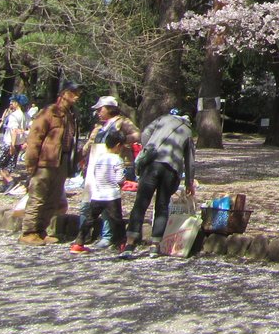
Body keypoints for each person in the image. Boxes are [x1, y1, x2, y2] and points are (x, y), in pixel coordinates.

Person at [19, 80, 83, 245]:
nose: (77, 97)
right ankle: (28, 232)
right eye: (73, 92)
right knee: (38, 197)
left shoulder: (72, 115)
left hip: (61, 162)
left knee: (53, 199)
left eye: (78, 93)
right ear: (63, 93)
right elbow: (35, 137)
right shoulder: (49, 112)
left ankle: (41, 230)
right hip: (44, 163)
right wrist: (31, 163)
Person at [123, 109, 195, 254]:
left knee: (141, 203)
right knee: (162, 205)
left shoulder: (162, 119)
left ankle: (130, 244)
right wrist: (189, 182)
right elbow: (190, 160)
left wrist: (149, 147)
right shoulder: (187, 131)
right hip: (171, 169)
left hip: (152, 164)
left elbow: (145, 134)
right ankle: (155, 245)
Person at [71, 128, 127, 253]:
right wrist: (124, 181)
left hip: (97, 195)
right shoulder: (118, 160)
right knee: (117, 221)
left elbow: (96, 174)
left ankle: (78, 243)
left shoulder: (99, 158)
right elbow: (120, 179)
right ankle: (122, 244)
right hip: (112, 195)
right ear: (118, 145)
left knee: (90, 219)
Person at [0, 94, 27, 192]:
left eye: (12, 102)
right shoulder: (24, 115)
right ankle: (5, 185)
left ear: (17, 103)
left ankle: (10, 181)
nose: (10, 103)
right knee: (8, 165)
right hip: (18, 144)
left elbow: (14, 131)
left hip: (10, 143)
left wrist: (12, 145)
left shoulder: (14, 116)